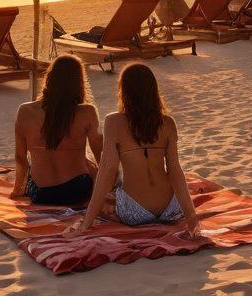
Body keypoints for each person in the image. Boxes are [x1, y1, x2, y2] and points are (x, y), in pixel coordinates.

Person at [65, 63, 201, 236]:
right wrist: (191, 218)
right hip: (170, 209)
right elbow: (175, 171)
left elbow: (108, 171)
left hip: (135, 212)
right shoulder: (168, 123)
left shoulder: (114, 122)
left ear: (124, 91)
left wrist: (86, 223)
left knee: (105, 200)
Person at [12, 55, 102, 207]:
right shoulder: (87, 112)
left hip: (41, 194)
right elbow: (101, 156)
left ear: (49, 78)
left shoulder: (25, 111)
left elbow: (20, 158)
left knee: (87, 162)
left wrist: (17, 190)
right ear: (79, 82)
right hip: (78, 190)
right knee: (91, 165)